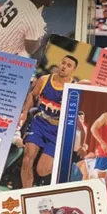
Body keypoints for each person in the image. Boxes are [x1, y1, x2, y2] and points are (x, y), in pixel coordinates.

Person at [20, 55, 79, 187]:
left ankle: (64, 168)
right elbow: (32, 95)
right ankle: (25, 192)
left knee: (42, 170)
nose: (64, 67)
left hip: (57, 130)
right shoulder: (44, 79)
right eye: (63, 63)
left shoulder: (74, 88)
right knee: (27, 159)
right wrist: (24, 112)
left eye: (69, 65)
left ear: (73, 70)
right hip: (39, 123)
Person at [72, 111, 90, 180]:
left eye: (82, 119)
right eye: (79, 119)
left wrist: (84, 145)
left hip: (78, 153)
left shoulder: (84, 128)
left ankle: (84, 185)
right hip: (69, 152)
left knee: (86, 173)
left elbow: (82, 141)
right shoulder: (72, 127)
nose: (81, 120)